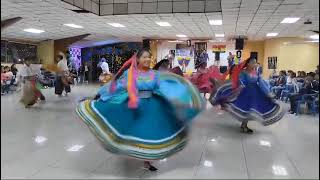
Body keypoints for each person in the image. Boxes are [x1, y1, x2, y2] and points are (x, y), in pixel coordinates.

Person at [76, 49, 204, 171]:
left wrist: (179, 96)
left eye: (149, 57)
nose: (147, 59)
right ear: (138, 59)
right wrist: (102, 93)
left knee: (150, 133)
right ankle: (134, 152)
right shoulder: (130, 73)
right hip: (134, 106)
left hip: (152, 106)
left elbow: (164, 86)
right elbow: (119, 86)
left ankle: (146, 160)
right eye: (144, 57)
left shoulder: (155, 74)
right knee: (133, 131)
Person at [209, 57, 284, 133]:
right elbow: (240, 81)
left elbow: (261, 83)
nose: (255, 64)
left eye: (255, 63)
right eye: (253, 63)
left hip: (255, 93)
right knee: (246, 108)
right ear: (248, 64)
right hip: (245, 92)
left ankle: (244, 125)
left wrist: (268, 93)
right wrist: (240, 87)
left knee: (250, 109)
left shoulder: (256, 72)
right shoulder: (243, 72)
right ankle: (244, 125)